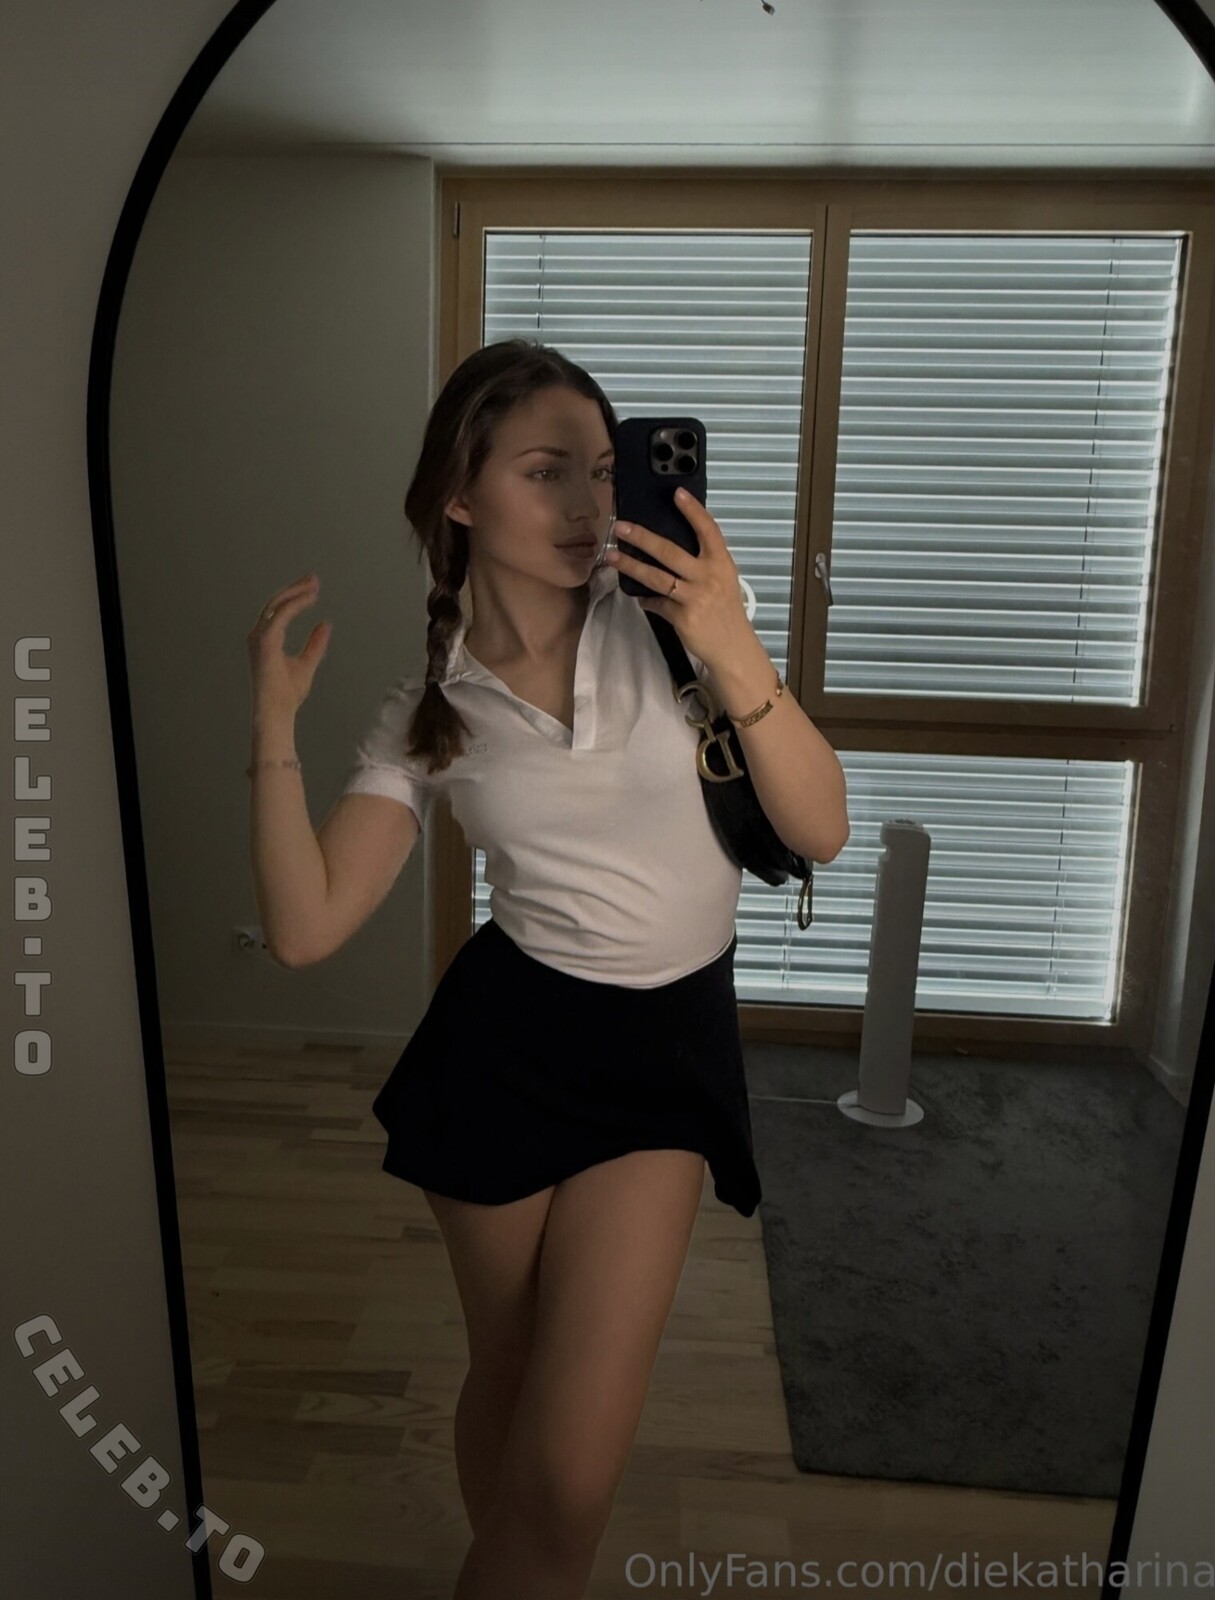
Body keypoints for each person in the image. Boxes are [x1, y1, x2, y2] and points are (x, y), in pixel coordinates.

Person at [247, 339, 785, 1599]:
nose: (590, 504)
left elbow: (810, 815)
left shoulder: (673, 630)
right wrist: (270, 724)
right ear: (459, 495)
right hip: (503, 1051)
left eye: (601, 470)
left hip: (665, 1057)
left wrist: (728, 636)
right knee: (513, 1371)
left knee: (570, 1483)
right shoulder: (428, 707)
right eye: (547, 471)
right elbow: (306, 927)